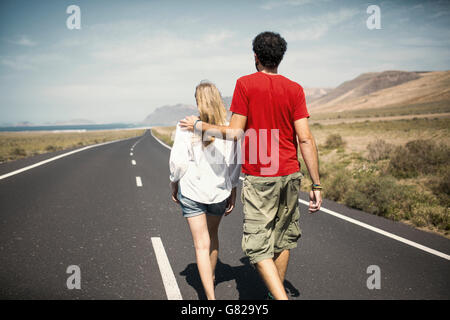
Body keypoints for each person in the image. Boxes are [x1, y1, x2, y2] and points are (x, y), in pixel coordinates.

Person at [180, 31, 322, 300]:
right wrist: (316, 183)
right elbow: (305, 137)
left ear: (255, 56)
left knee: (257, 249)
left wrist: (201, 126)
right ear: (280, 57)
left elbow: (234, 133)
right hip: (291, 174)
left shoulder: (245, 84)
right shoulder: (295, 89)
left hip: (261, 177)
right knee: (282, 239)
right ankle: (273, 294)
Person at [169, 81, 241, 300]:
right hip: (219, 190)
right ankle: (211, 279)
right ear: (218, 99)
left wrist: (174, 183)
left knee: (201, 245)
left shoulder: (185, 126)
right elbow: (235, 163)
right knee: (212, 236)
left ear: (198, 102)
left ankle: (209, 298)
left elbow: (179, 162)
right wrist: (233, 189)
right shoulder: (229, 128)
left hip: (192, 191)